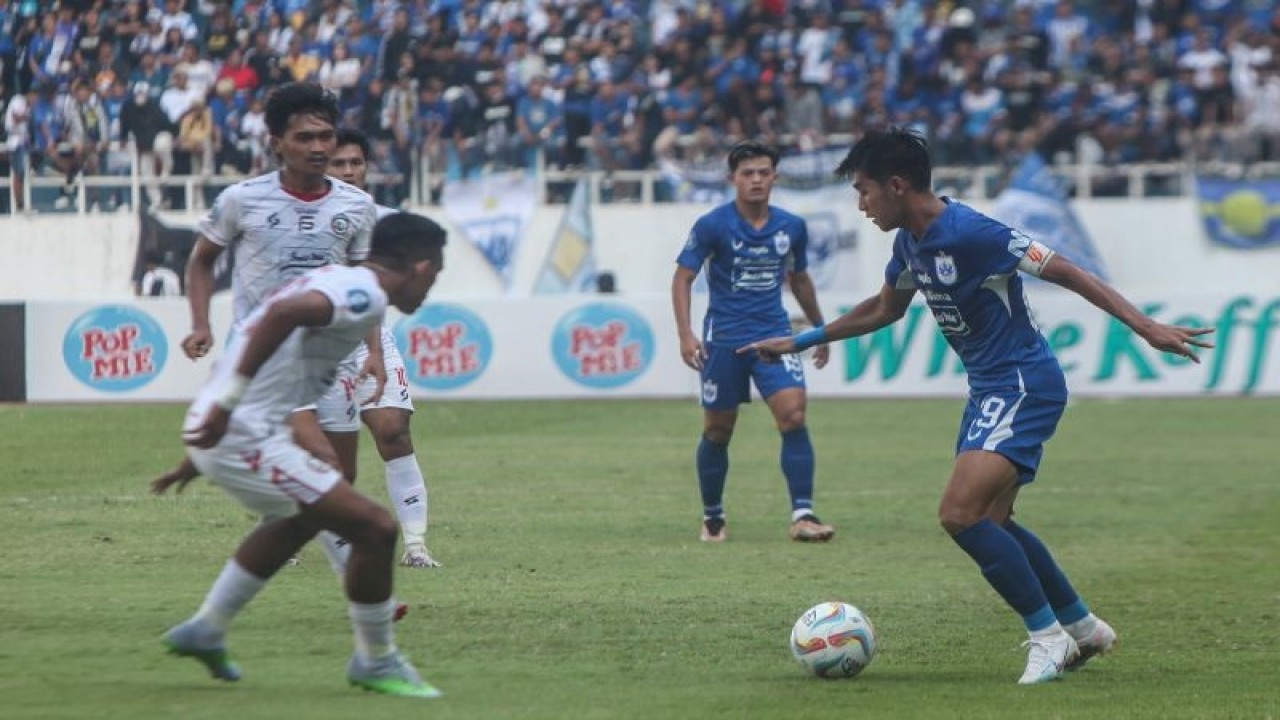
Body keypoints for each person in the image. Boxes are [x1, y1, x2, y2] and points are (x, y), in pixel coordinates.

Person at [742, 127, 1215, 684]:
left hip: (1021, 383)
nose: (861, 204)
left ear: (897, 185)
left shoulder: (972, 232)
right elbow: (884, 310)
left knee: (958, 514)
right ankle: (1084, 629)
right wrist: (802, 339)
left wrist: (1145, 326)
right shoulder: (909, 244)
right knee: (995, 519)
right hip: (990, 387)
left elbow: (1067, 269)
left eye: (865, 190)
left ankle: (1047, 638)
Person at [161, 211, 448, 698]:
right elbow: (279, 316)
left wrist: (206, 438)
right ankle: (376, 660)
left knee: (297, 520)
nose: (431, 288)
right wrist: (228, 409)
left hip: (234, 429)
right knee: (376, 529)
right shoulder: (363, 294)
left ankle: (207, 628)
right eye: (436, 275)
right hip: (245, 432)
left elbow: (261, 335)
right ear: (421, 266)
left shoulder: (343, 281)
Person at [671, 140, 834, 544]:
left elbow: (798, 279)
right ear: (732, 179)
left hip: (775, 337)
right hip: (723, 339)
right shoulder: (712, 225)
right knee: (718, 430)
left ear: (775, 177)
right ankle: (713, 517)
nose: (756, 180)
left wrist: (819, 329)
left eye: (763, 172)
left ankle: (804, 514)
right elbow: (683, 277)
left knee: (793, 415)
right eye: (748, 173)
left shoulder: (791, 227)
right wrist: (686, 333)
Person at [304, 127, 440, 569]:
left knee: (392, 431)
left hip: (369, 342)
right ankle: (287, 531)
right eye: (339, 163)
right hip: (315, 349)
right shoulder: (301, 217)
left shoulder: (386, 220)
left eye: (355, 163)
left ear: (366, 167)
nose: (347, 171)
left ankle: (417, 545)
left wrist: (376, 351)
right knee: (321, 456)